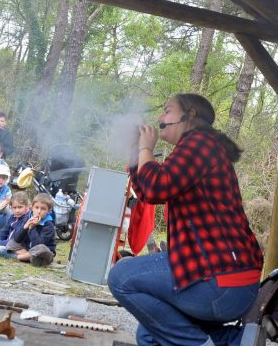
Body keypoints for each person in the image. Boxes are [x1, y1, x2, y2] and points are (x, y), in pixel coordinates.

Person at [108, 93, 264, 346]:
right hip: (229, 283)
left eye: (167, 110)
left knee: (121, 276)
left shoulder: (200, 143)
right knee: (149, 334)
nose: (160, 117)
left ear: (190, 116)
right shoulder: (199, 147)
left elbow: (158, 185)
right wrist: (136, 152)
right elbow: (148, 193)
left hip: (221, 281)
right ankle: (235, 340)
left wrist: (146, 148)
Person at [6, 192, 56, 267]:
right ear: (32, 207)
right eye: (36, 207)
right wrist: (25, 227)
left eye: (43, 209)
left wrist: (32, 227)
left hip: (43, 252)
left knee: (42, 249)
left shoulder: (49, 225)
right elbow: (17, 239)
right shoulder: (28, 217)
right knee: (11, 243)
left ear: (48, 211)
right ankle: (30, 257)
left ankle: (18, 257)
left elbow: (38, 244)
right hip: (28, 250)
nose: (39, 211)